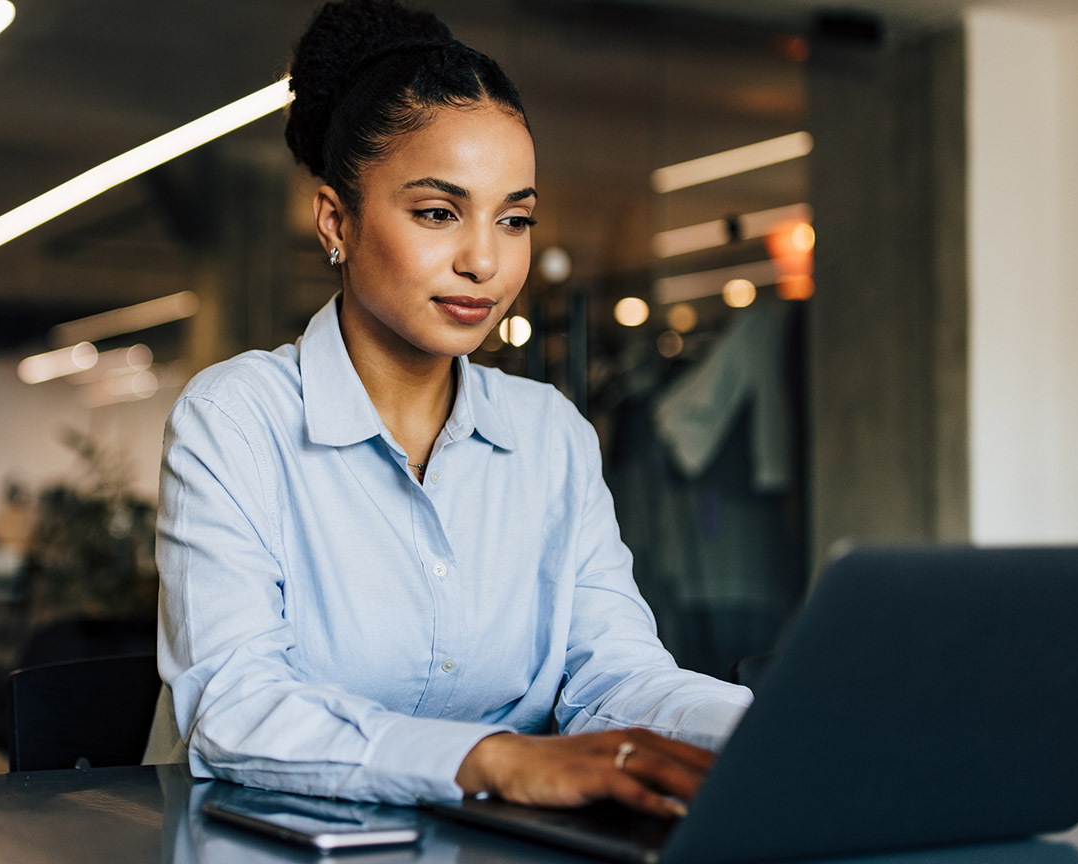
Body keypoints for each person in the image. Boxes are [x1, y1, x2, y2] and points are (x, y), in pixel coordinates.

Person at [151, 0, 753, 817]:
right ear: (337, 220)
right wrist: (491, 759)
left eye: (515, 219)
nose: (484, 259)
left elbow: (614, 675)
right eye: (438, 212)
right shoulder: (234, 421)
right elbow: (238, 705)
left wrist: (772, 725)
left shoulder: (550, 435)